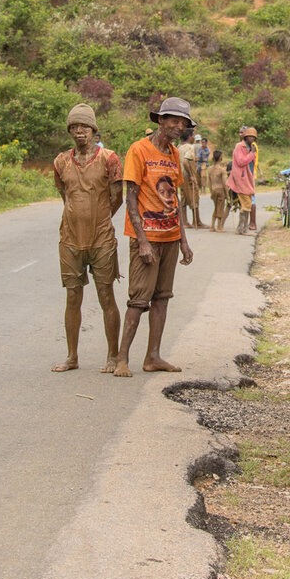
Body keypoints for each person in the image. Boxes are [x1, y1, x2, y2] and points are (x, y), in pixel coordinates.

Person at [114, 97, 195, 378]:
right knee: (139, 300)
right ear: (160, 120)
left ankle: (153, 357)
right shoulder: (138, 150)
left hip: (171, 237)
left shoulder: (174, 154)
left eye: (183, 122)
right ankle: (121, 359)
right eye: (173, 120)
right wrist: (143, 241)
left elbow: (176, 198)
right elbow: (131, 199)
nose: (178, 126)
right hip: (146, 238)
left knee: (162, 297)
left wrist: (183, 240)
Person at [51, 103, 123, 373]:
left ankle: (113, 356)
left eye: (84, 126)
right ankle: (72, 357)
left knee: (106, 295)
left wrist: (100, 219)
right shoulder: (61, 162)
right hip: (70, 239)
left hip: (102, 239)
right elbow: (65, 196)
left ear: (94, 129)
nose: (79, 131)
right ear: (69, 130)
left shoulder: (109, 158)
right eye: (74, 126)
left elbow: (118, 198)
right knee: (72, 296)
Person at [226, 126, 258, 235]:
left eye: (253, 137)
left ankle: (242, 228)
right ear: (245, 137)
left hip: (248, 179)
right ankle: (242, 229)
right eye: (249, 136)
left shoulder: (251, 147)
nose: (252, 139)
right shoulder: (239, 146)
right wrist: (251, 154)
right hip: (241, 179)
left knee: (247, 204)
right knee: (246, 203)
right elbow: (240, 161)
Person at [177, 129, 205, 229]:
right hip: (188, 176)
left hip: (180, 176)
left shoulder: (179, 147)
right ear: (189, 136)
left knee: (184, 198)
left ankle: (185, 221)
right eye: (193, 135)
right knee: (194, 197)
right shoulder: (190, 147)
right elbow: (185, 161)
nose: (194, 137)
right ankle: (196, 221)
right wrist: (191, 175)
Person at [206, 149, 230, 232]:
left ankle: (212, 226)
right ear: (221, 159)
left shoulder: (209, 169)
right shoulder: (222, 170)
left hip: (213, 190)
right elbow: (224, 183)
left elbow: (209, 182)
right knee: (220, 208)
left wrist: (211, 191)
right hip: (220, 191)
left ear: (212, 159)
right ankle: (219, 227)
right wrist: (227, 194)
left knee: (216, 208)